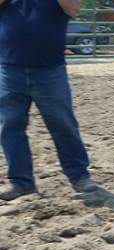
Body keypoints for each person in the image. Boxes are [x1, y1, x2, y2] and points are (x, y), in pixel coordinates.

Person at [0, 0, 101, 201]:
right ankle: (21, 183)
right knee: (10, 127)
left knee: (63, 123)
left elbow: (72, 8)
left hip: (49, 70)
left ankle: (80, 176)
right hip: (10, 68)